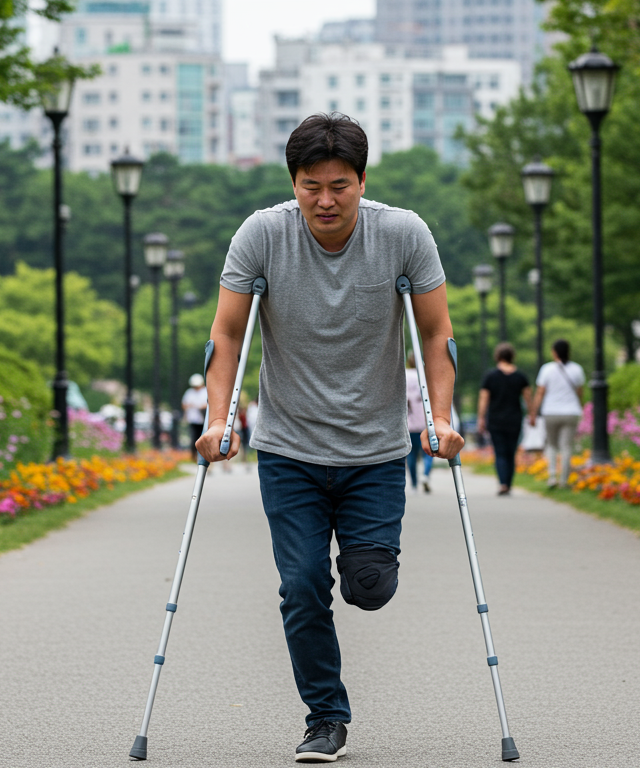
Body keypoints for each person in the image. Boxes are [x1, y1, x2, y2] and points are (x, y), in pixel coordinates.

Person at [196, 113, 462, 763]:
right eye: (310, 186)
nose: (324, 200)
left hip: (375, 450)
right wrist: (218, 419)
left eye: (339, 185)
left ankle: (365, 569)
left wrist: (442, 417)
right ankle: (325, 717)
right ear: (293, 181)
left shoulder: (404, 235)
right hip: (289, 447)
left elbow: (435, 333)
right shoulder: (262, 235)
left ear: (363, 180)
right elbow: (227, 334)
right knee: (303, 583)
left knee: (368, 586)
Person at [528, 339, 587, 489]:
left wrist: (533, 412)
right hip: (571, 412)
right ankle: (564, 481)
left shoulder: (547, 369)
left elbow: (540, 393)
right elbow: (580, 392)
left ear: (554, 352)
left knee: (552, 445)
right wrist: (580, 407)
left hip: (551, 412)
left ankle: (552, 476)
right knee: (566, 446)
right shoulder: (577, 369)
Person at [478, 342, 530, 496]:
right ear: (512, 357)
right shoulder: (521, 377)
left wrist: (481, 418)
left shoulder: (490, 376)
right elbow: (528, 398)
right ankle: (508, 483)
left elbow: (484, 398)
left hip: (495, 420)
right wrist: (532, 414)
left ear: (498, 357)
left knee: (500, 452)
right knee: (511, 452)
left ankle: (503, 483)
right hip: (515, 419)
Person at [404, 355, 434, 493]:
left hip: (409, 422)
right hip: (426, 422)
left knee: (411, 454)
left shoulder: (404, 375)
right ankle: (425, 474)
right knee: (429, 453)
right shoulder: (426, 376)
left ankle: (414, 484)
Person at [181, 374, 208, 462]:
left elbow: (207, 404)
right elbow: (184, 404)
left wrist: (197, 406)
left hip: (204, 419)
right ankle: (194, 457)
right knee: (194, 439)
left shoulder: (205, 391)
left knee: (205, 439)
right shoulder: (189, 392)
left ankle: (206, 457)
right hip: (194, 420)